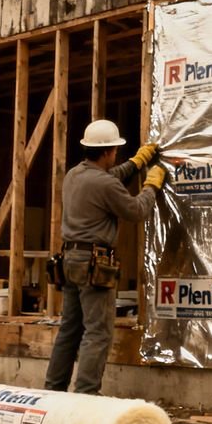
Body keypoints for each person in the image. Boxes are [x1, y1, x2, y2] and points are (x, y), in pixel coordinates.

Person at [44, 119, 165, 394]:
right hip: (93, 265)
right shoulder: (105, 184)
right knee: (98, 332)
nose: (116, 157)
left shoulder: (75, 175)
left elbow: (110, 179)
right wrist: (151, 186)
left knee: (69, 330)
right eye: (116, 152)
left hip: (70, 261)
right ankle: (86, 394)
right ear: (109, 152)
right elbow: (135, 211)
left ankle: (53, 390)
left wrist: (137, 162)